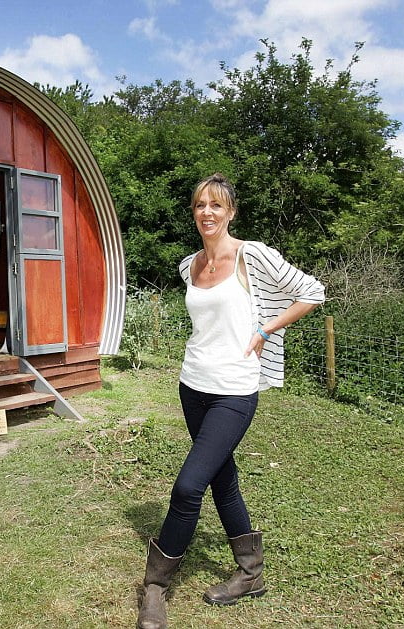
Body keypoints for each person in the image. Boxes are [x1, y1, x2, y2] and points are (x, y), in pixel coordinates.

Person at [136, 174, 325, 629]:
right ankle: (251, 573)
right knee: (222, 479)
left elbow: (312, 293)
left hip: (235, 389)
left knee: (188, 487)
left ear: (231, 212)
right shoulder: (190, 264)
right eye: (200, 204)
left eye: (216, 205)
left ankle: (155, 588)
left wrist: (264, 331)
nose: (207, 213)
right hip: (192, 384)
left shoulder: (251, 255)